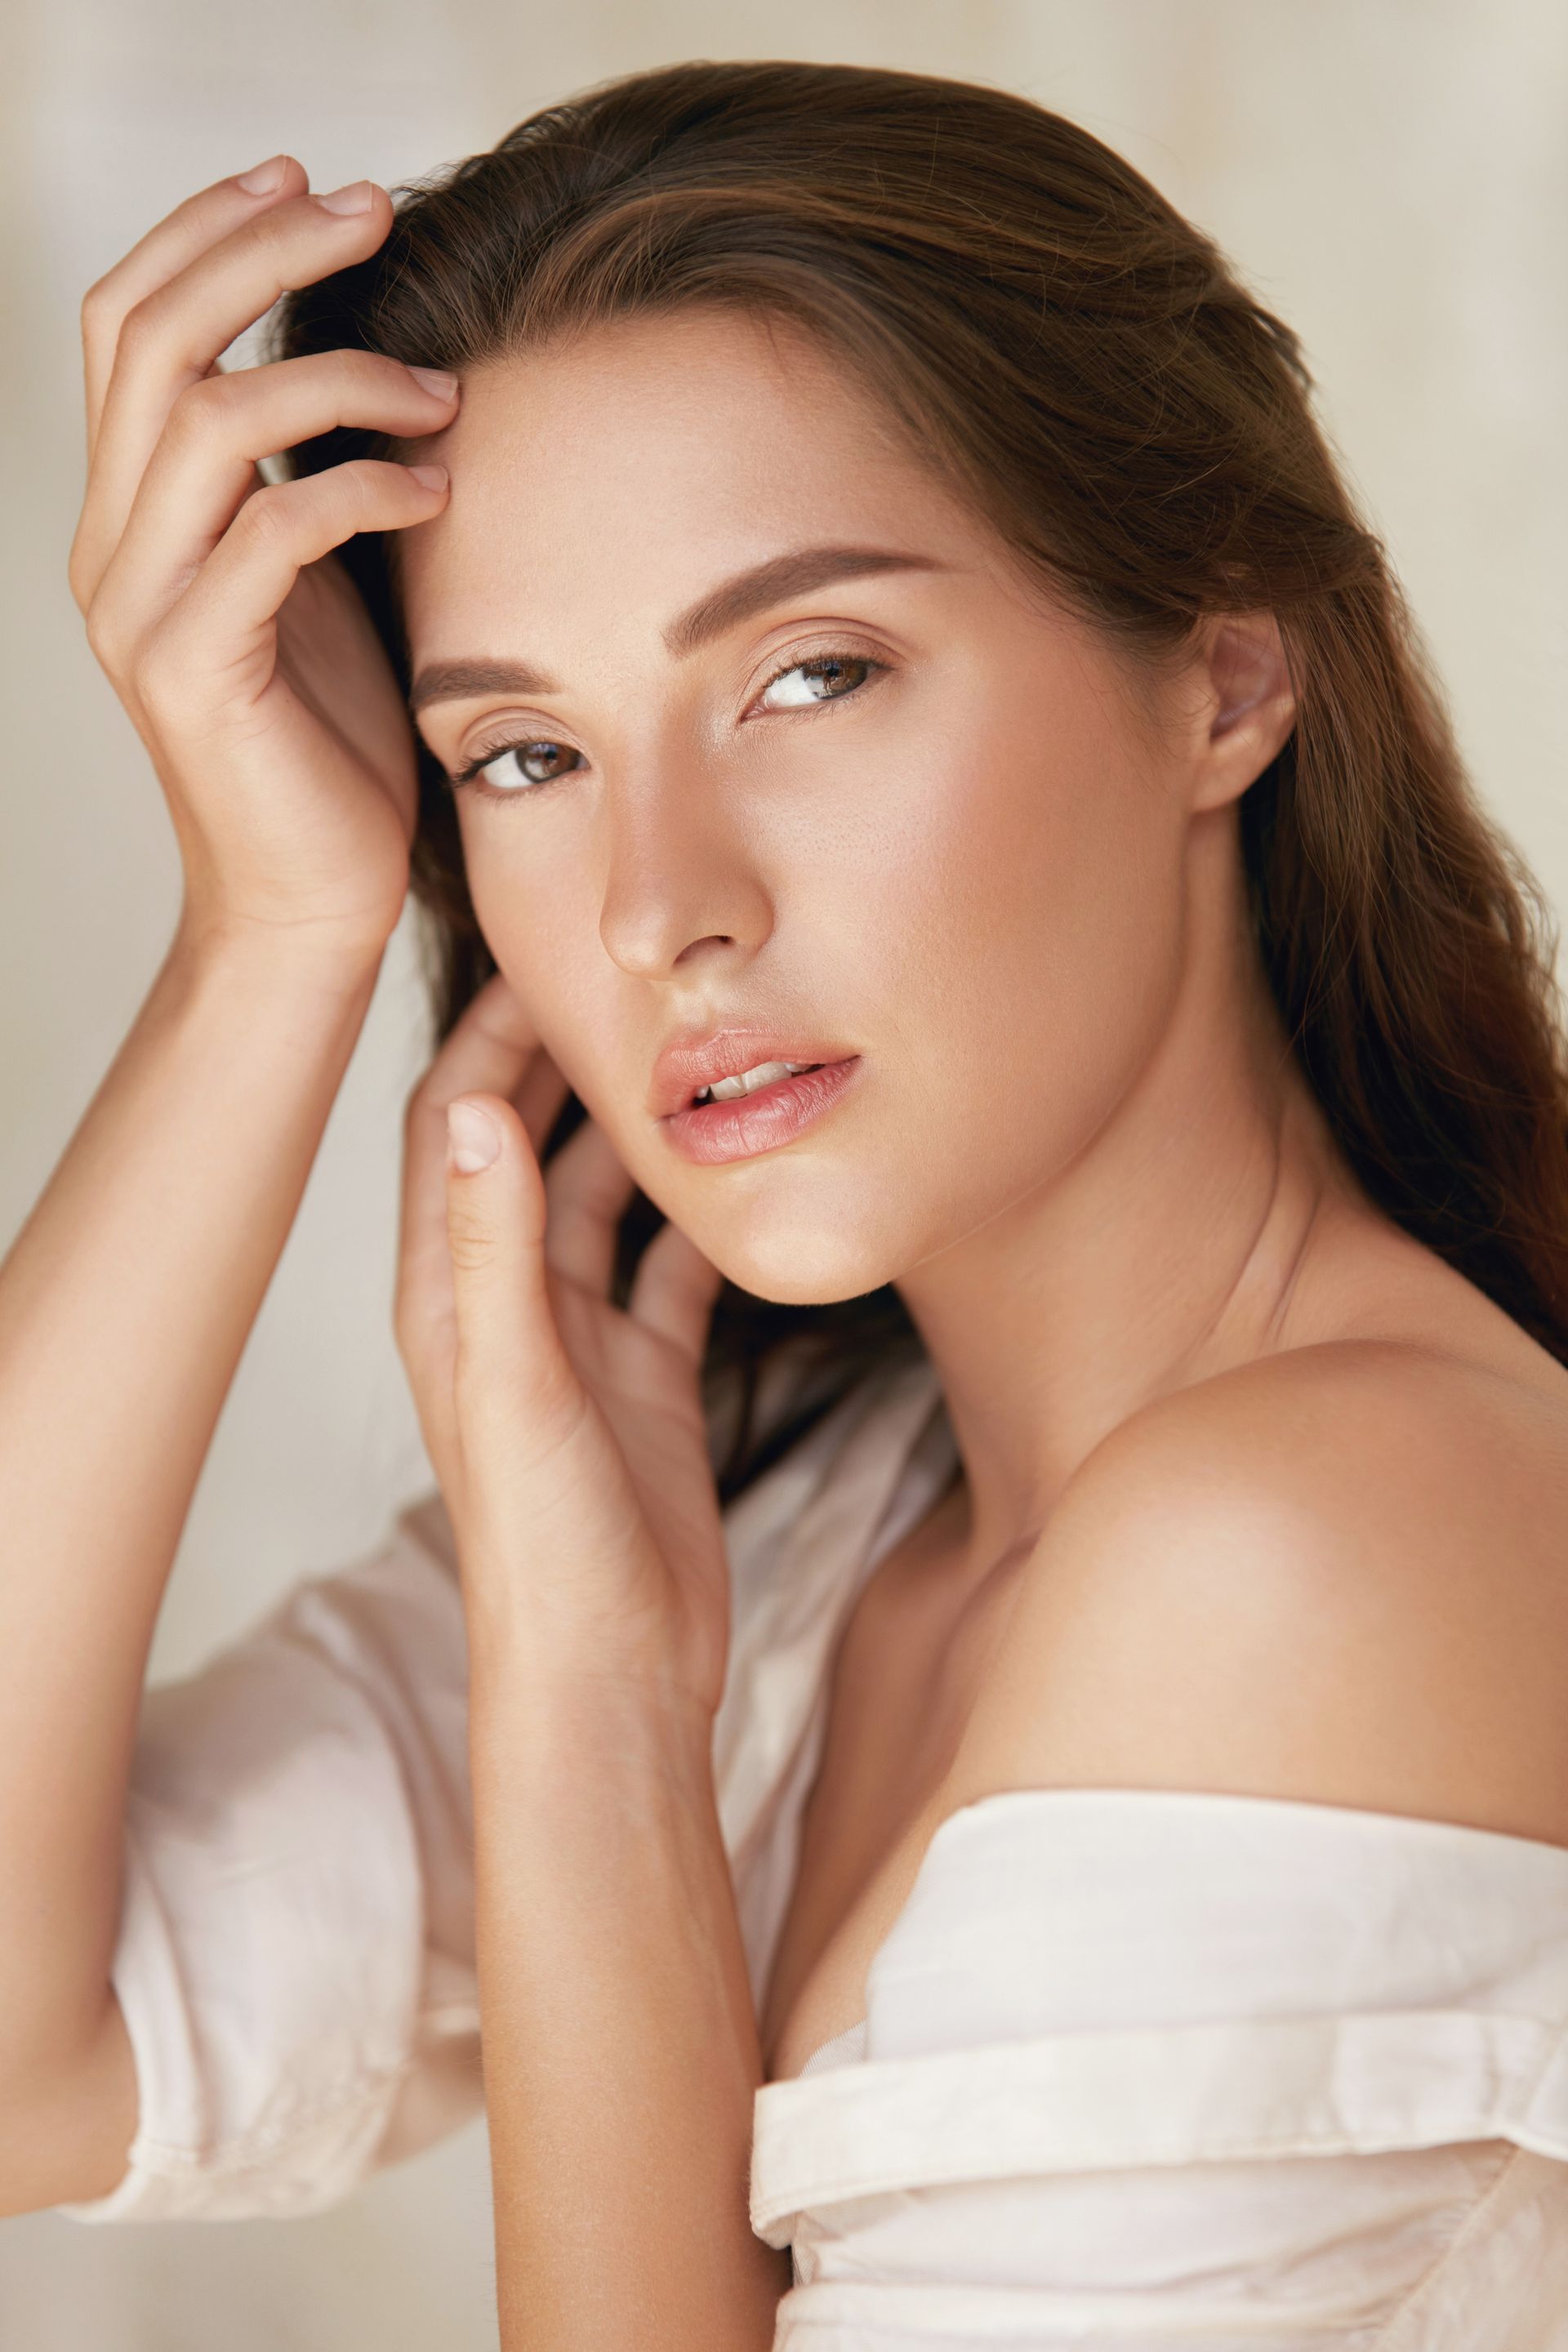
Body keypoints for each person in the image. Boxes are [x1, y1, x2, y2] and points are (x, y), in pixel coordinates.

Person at [4, 54, 1568, 2349]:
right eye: (523, 753)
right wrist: (269, 934)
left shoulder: (1314, 1548)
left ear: (1228, 676)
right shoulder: (809, 1513)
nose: (659, 907)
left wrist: (595, 1738)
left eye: (811, 675)